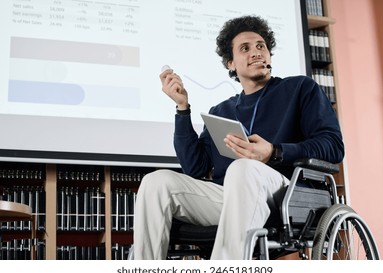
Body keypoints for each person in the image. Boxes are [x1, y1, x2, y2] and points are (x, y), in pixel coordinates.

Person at [133, 15, 344, 260]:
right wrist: (182, 108)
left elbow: (333, 146)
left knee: (243, 168)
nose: (256, 52)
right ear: (230, 63)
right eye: (245, 48)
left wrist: (274, 151)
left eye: (261, 46)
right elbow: (195, 167)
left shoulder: (299, 89)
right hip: (232, 199)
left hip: (286, 195)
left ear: (269, 55)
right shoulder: (221, 111)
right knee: (155, 182)